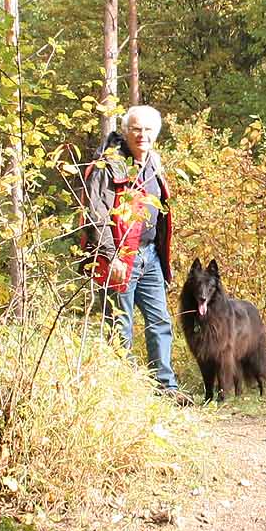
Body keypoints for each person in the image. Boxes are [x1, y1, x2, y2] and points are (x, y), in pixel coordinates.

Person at [83, 105, 184, 398]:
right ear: (125, 131)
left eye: (148, 130)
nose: (142, 135)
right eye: (136, 129)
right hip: (119, 257)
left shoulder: (153, 162)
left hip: (150, 256)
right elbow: (97, 215)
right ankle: (123, 393)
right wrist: (110, 255)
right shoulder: (107, 165)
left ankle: (166, 387)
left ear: (156, 133)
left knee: (160, 321)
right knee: (119, 325)